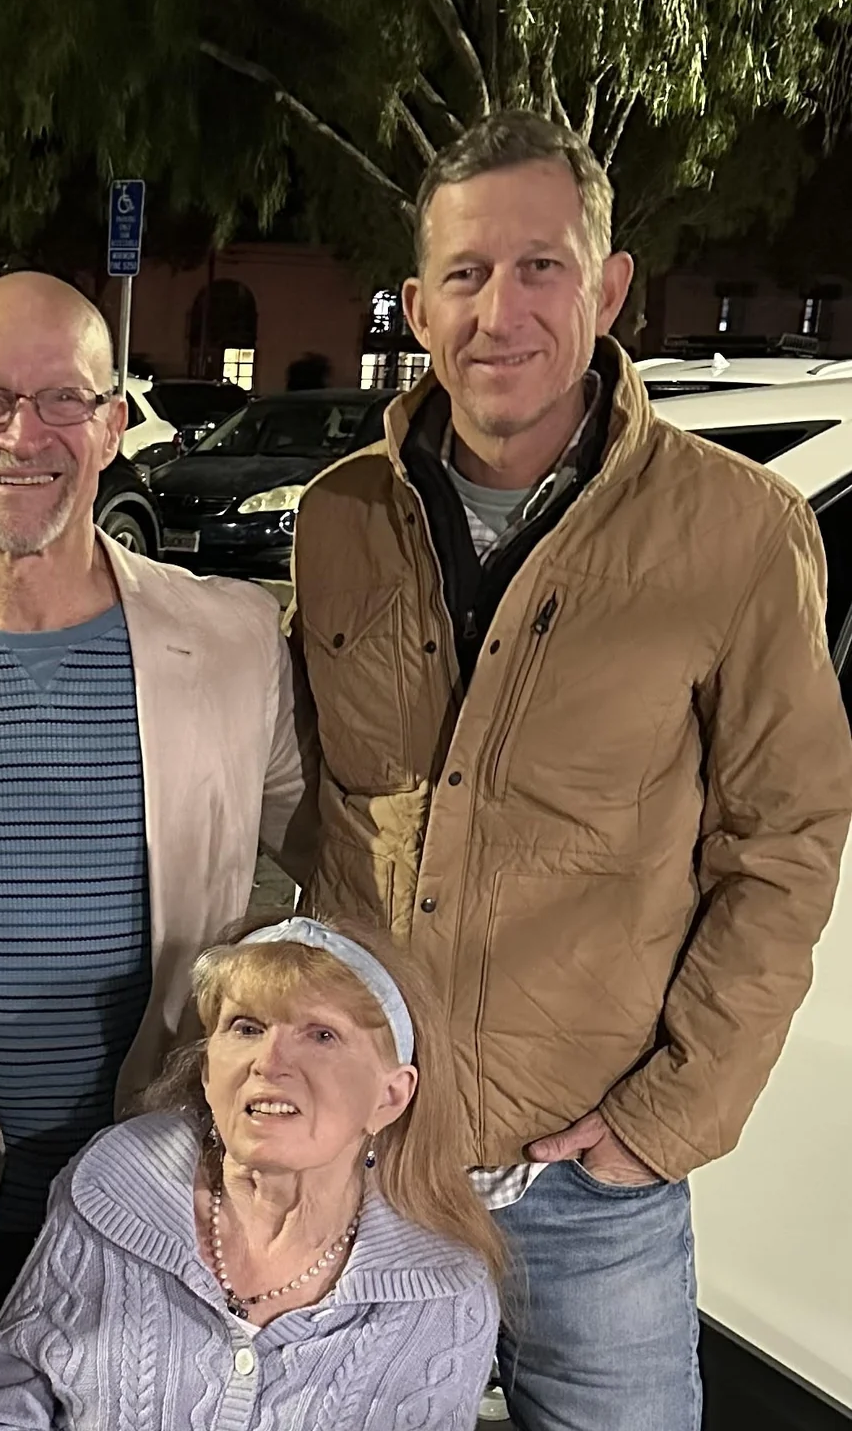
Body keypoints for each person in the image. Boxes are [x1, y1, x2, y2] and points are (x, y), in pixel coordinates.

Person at [291, 109, 852, 1431]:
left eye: (542, 267)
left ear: (607, 289)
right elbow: (306, 808)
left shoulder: (737, 533)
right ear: (419, 307)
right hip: (366, 1163)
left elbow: (786, 839)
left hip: (593, 1189)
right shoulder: (340, 522)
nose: (503, 309)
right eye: (469, 275)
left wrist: (671, 1117)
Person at [0, 270, 314, 1422]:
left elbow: (354, 861)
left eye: (62, 401)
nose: (21, 436)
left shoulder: (233, 641)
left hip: (174, 1203)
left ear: (114, 424)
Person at [0, 915, 500, 1429]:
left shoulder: (443, 1290)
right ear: (209, 1071)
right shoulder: (116, 1185)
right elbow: (2, 1392)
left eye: (322, 1034)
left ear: (390, 1096)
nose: (270, 1061)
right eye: (246, 1028)